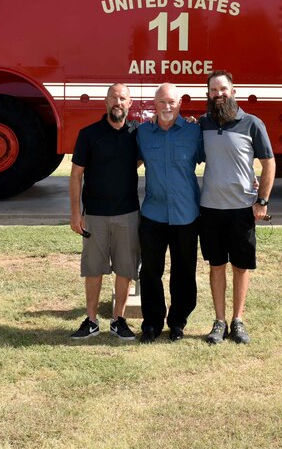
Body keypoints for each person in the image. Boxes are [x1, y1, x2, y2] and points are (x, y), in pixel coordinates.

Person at [199, 70, 275, 344]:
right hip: (210, 208)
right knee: (216, 265)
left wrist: (262, 201)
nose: (219, 94)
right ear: (208, 95)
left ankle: (237, 320)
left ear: (233, 91)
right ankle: (219, 321)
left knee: (240, 266)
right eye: (213, 90)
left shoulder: (252, 123)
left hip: (242, 209)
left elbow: (269, 163)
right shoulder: (202, 124)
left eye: (223, 89)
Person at [69, 83, 141, 341]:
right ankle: (91, 321)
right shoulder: (88, 134)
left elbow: (143, 159)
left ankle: (118, 320)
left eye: (123, 98)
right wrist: (76, 213)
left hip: (128, 213)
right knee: (93, 269)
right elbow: (76, 175)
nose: (118, 102)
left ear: (130, 103)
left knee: (125, 268)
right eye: (113, 98)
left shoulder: (136, 134)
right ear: (106, 102)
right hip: (95, 215)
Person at [136, 83, 204, 343]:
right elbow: (126, 162)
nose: (167, 107)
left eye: (172, 102)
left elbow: (221, 158)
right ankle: (151, 324)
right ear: (155, 103)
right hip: (153, 214)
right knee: (151, 271)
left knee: (184, 271)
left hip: (186, 215)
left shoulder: (193, 132)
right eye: (162, 102)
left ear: (180, 105)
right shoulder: (143, 133)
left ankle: (178, 322)